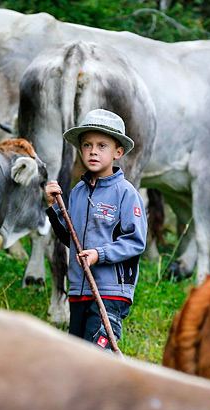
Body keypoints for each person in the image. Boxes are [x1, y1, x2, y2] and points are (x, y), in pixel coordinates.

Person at [44, 108, 147, 350]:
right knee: (78, 354)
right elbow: (71, 238)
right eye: (87, 145)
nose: (93, 151)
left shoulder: (126, 193)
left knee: (98, 354)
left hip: (110, 292)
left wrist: (99, 254)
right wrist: (53, 207)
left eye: (102, 145)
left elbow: (135, 242)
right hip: (80, 289)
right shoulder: (78, 192)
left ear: (117, 152)